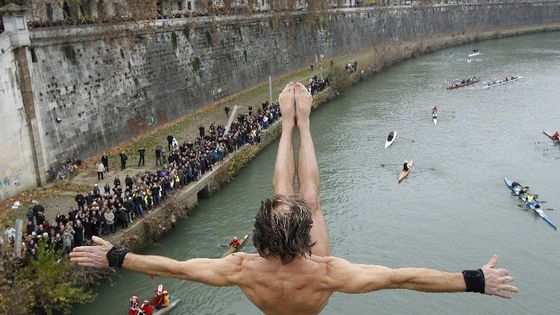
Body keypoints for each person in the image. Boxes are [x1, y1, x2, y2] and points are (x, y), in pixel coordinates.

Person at [70, 83, 518, 315]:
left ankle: (287, 125)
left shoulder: (241, 266)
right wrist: (473, 280)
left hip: (267, 292)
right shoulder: (327, 272)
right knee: (310, 200)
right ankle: (302, 123)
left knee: (287, 194)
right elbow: (403, 278)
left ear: (261, 242)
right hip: (310, 296)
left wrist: (116, 256)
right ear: (306, 242)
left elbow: (173, 267)